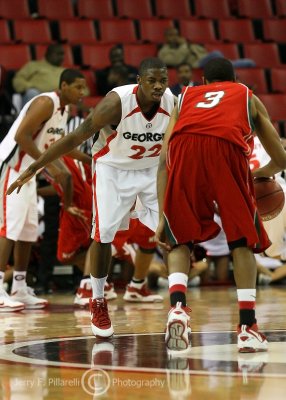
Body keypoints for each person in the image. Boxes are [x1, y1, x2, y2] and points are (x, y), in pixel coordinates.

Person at [7, 58, 175, 337]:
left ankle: (178, 304)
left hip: (149, 170)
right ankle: (98, 301)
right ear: (139, 80)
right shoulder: (116, 103)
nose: (158, 86)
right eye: (151, 81)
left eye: (163, 80)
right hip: (113, 168)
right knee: (104, 234)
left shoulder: (172, 102)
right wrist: (36, 166)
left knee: (173, 231)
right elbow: (75, 137)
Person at [154, 57, 286, 353]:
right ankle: (248, 327)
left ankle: (177, 307)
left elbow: (163, 159)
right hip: (226, 148)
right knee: (242, 240)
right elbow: (282, 158)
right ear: (235, 80)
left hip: (183, 149)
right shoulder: (246, 96)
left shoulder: (183, 96)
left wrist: (165, 215)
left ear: (203, 82)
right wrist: (263, 174)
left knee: (180, 238)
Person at [0, 69, 87, 311]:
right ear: (64, 85)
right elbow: (21, 136)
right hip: (11, 168)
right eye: (78, 87)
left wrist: (92, 160)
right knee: (10, 228)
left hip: (28, 174)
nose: (83, 93)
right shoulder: (46, 102)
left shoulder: (64, 110)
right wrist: (48, 164)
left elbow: (59, 147)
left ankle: (19, 286)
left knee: (27, 231)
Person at [158, 27, 255, 69]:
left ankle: (227, 65)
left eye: (176, 35)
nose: (174, 38)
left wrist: (187, 45)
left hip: (207, 63)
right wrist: (184, 46)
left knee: (250, 62)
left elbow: (203, 52)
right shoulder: (164, 52)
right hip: (196, 66)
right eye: (171, 35)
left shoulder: (189, 45)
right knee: (216, 53)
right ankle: (228, 66)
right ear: (166, 37)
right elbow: (176, 61)